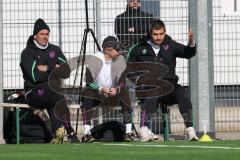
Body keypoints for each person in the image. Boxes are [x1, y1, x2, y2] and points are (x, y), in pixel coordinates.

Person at [127, 19, 199, 141]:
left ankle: (190, 130)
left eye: (161, 34)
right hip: (148, 87)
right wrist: (138, 80)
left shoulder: (171, 45)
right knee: (153, 91)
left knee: (182, 92)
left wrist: (191, 43)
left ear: (165, 32)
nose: (158, 37)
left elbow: (187, 53)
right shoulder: (139, 48)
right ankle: (144, 130)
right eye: (155, 34)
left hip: (169, 86)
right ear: (150, 33)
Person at [20, 18, 79, 143]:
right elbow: (35, 76)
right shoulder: (27, 53)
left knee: (57, 98)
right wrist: (55, 70)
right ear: (35, 36)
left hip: (52, 93)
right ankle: (70, 131)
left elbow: (67, 72)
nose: (45, 37)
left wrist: (47, 68)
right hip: (34, 92)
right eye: (42, 34)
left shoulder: (55, 50)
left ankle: (57, 134)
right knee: (56, 92)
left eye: (47, 34)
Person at [81, 36, 134, 142]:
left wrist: (116, 89)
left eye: (115, 48)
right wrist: (100, 88)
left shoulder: (121, 59)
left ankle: (129, 132)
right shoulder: (95, 59)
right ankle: (87, 133)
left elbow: (123, 82)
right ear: (105, 49)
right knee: (87, 93)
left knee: (124, 93)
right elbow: (89, 82)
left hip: (113, 93)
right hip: (98, 93)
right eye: (109, 49)